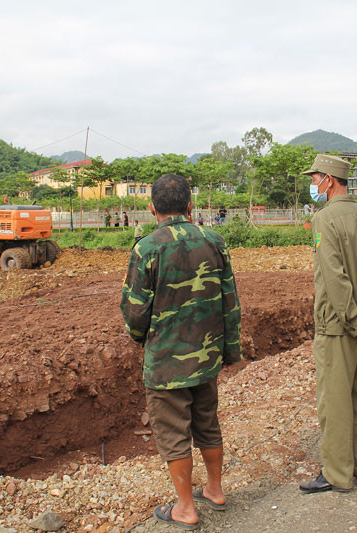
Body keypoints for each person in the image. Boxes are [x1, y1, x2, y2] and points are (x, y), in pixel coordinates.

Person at [120, 174, 242, 529]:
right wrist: (229, 351)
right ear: (191, 206)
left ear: (152, 208)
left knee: (174, 433)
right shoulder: (214, 241)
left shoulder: (147, 248)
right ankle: (215, 491)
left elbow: (135, 309)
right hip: (206, 357)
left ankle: (186, 508)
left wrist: (141, 338)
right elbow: (230, 302)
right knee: (207, 421)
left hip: (166, 362)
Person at [299, 154, 357, 493]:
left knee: (335, 400)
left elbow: (335, 279)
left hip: (338, 327)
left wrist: (355, 322)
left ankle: (338, 473)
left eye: (315, 179)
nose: (313, 185)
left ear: (329, 180)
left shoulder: (325, 220)